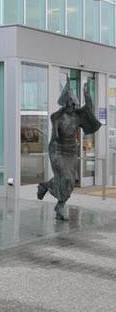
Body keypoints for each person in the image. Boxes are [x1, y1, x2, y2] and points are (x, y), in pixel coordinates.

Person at [38, 79, 101, 220]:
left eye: (73, 105)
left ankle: (48, 190)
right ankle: (59, 204)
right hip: (57, 149)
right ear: (64, 104)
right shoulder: (56, 117)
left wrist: (87, 94)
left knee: (71, 181)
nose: (71, 107)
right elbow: (55, 135)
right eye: (69, 104)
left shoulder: (78, 115)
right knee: (65, 177)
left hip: (71, 151)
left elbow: (89, 108)